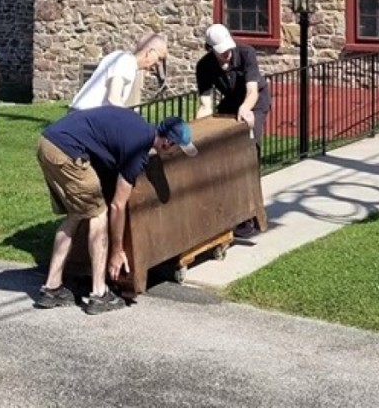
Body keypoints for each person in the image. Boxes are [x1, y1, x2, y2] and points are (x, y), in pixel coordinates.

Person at [34, 105, 197, 314]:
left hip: (48, 142)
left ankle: (52, 288)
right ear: (167, 143)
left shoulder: (138, 126)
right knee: (98, 214)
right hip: (67, 151)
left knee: (76, 214)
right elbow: (117, 205)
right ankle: (99, 293)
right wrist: (117, 251)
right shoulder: (138, 151)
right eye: (177, 148)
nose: (176, 152)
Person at [195, 23, 270, 239]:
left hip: (253, 104)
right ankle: (231, 210)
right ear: (210, 49)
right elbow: (205, 105)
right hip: (230, 104)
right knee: (223, 155)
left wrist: (246, 109)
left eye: (228, 49)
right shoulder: (204, 67)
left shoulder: (246, 54)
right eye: (221, 51)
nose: (226, 54)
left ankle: (251, 213)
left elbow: (252, 91)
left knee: (248, 152)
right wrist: (197, 130)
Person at [70, 33, 167, 110]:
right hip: (83, 119)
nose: (158, 64)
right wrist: (131, 120)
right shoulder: (125, 61)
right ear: (150, 52)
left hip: (86, 118)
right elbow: (113, 99)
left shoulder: (126, 62)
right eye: (159, 58)